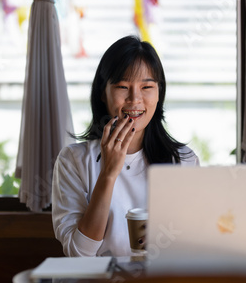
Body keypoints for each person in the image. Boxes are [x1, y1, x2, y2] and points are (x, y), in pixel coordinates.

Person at [52, 35, 199, 257]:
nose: (135, 99)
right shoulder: (73, 160)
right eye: (122, 86)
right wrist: (108, 174)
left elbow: (195, 246)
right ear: (103, 93)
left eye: (146, 87)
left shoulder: (184, 161)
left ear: (159, 93)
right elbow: (79, 253)